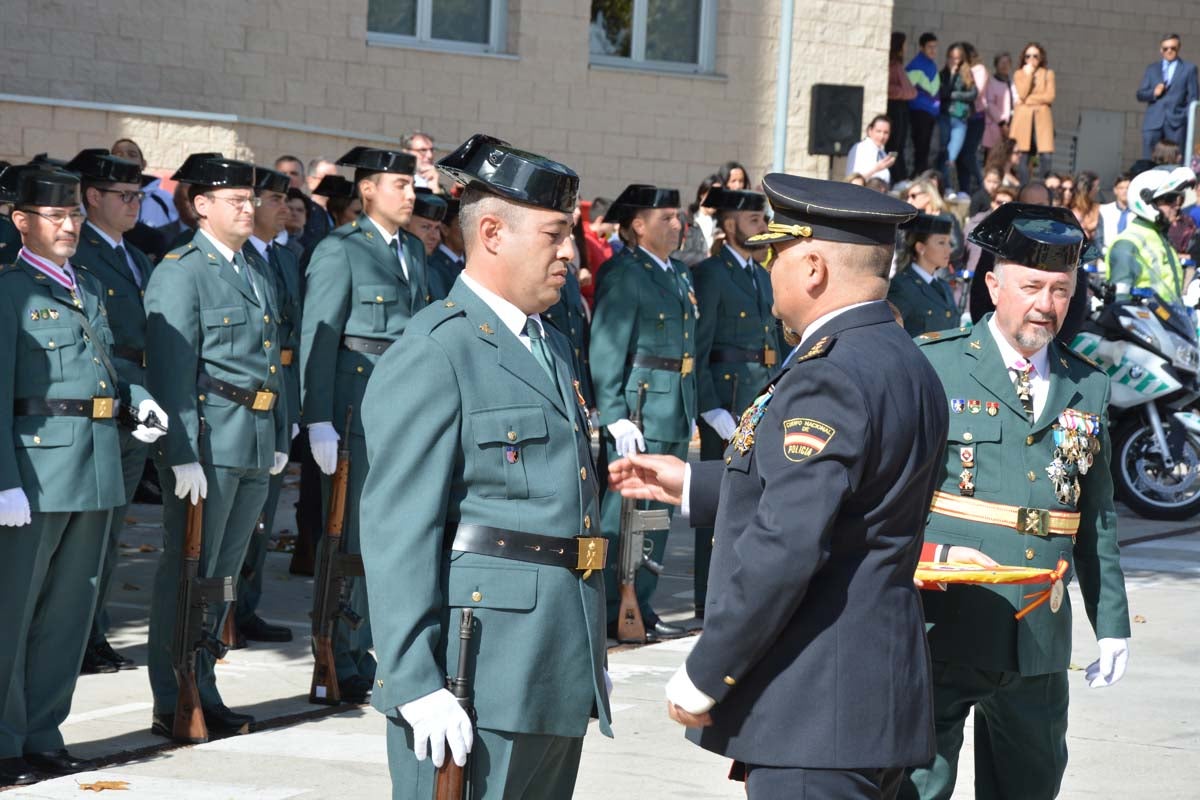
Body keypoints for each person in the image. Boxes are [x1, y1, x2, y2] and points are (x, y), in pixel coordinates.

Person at [608, 174, 946, 799]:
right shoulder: (901, 357)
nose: (768, 271)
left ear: (813, 267)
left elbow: (787, 542)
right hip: (865, 698)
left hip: (815, 705)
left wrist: (708, 669)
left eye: (775, 256)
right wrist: (696, 483)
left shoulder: (831, 371)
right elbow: (855, 494)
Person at [357, 133, 611, 799]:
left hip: (553, 660)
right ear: (492, 232)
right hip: (476, 672)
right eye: (555, 236)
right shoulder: (436, 351)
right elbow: (397, 529)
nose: (570, 255)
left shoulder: (550, 343)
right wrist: (413, 679)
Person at [904, 202, 1131, 800]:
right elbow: (893, 497)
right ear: (993, 284)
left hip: (1038, 627)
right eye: (1031, 286)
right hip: (945, 620)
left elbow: (1096, 517)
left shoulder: (1087, 383)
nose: (1045, 304)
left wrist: (1111, 626)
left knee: (1030, 785)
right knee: (915, 786)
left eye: (1061, 289)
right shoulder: (937, 365)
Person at [0, 165, 166, 786]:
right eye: (55, 216)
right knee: (13, 612)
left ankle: (44, 732)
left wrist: (138, 398)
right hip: (35, 473)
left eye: (73, 215)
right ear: (22, 222)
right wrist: (3, 478)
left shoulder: (88, 286)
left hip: (95, 467)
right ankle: (5, 740)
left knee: (70, 612)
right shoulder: (11, 293)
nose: (69, 225)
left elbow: (110, 367)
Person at [143, 156, 289, 740]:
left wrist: (280, 433)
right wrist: (178, 451)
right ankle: (172, 693)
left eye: (251, 199)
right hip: (209, 440)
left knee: (223, 576)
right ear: (201, 205)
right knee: (189, 570)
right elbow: (170, 372)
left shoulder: (255, 267)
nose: (248, 208)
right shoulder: (181, 270)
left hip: (252, 438)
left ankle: (204, 685)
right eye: (235, 199)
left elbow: (275, 359)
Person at [299, 146, 427, 703]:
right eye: (399, 184)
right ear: (368, 190)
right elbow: (319, 336)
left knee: (392, 538)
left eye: (413, 184)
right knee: (348, 537)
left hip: (402, 410)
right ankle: (339, 652)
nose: (411, 193)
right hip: (356, 414)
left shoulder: (415, 251)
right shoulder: (340, 250)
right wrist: (318, 418)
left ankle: (372, 648)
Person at [590, 183, 696, 641]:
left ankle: (642, 604)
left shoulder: (678, 274)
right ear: (638, 225)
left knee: (658, 517)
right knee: (624, 513)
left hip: (673, 404)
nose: (678, 225)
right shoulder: (625, 273)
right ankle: (614, 607)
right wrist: (613, 413)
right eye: (667, 218)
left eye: (677, 217)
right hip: (639, 406)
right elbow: (608, 346)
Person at [66, 149, 158, 675]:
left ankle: (91, 632)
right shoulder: (82, 257)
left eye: (139, 196)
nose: (135, 204)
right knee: (86, 531)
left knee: (111, 529)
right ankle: (77, 635)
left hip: (136, 399)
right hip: (104, 397)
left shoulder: (136, 256)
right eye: (124, 196)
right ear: (93, 197)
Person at [690, 187, 778, 620]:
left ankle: (741, 594)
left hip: (757, 397)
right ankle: (710, 595)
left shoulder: (761, 274)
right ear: (729, 226)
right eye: (754, 220)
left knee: (756, 498)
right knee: (720, 500)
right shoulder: (712, 273)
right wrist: (709, 406)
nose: (762, 226)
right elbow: (698, 343)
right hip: (725, 402)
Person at [230, 165, 303, 648]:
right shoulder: (241, 261)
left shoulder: (287, 256)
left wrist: (294, 408)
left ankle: (246, 605)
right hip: (241, 401)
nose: (283, 208)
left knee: (263, 515)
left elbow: (294, 335)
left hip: (279, 392)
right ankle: (225, 611)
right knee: (236, 521)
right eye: (275, 199)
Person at [1106, 165, 1197, 305]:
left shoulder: (1161, 238)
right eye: (1169, 199)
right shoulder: (1127, 244)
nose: (1176, 205)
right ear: (1147, 201)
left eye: (1177, 199)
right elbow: (1120, 305)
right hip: (1146, 324)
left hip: (1169, 323)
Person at [888, 213, 958, 335]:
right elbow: (892, 334)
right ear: (921, 248)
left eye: (949, 243)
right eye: (941, 243)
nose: (948, 249)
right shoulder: (902, 287)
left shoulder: (944, 286)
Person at [1137, 33, 1199, 160]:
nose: (1169, 51)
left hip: (1176, 122)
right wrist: (1153, 93)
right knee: (1149, 160)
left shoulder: (1189, 69)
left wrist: (1184, 116)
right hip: (1153, 121)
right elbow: (1140, 94)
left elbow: (1194, 97)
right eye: (1166, 48)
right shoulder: (1152, 69)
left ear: (1178, 48)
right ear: (1161, 50)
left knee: (1174, 160)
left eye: (1173, 48)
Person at [1011, 43, 1056, 182]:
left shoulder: (1048, 74)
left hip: (1042, 120)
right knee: (1023, 156)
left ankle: (1043, 185)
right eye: (1028, 56)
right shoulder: (1019, 74)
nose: (1031, 59)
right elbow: (1022, 93)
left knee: (1045, 156)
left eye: (1035, 56)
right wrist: (1029, 75)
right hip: (1023, 120)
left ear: (1041, 57)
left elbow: (1049, 96)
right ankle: (1024, 187)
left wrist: (1029, 101)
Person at [938, 43, 978, 194]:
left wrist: (954, 95)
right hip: (945, 116)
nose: (955, 61)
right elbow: (943, 92)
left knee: (952, 155)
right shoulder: (943, 74)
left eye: (958, 58)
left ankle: (948, 186)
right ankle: (946, 186)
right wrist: (952, 74)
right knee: (943, 153)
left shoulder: (967, 74)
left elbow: (973, 94)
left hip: (960, 119)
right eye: (952, 58)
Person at [907, 32, 941, 176]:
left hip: (929, 111)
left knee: (925, 146)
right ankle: (917, 176)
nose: (933, 50)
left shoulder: (930, 64)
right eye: (929, 47)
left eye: (935, 47)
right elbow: (932, 90)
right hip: (920, 110)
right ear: (921, 47)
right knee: (921, 146)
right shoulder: (916, 66)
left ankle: (920, 174)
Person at [956, 42, 989, 196]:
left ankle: (981, 184)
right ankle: (964, 189)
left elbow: (978, 92)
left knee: (968, 153)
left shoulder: (978, 69)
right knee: (960, 155)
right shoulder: (960, 70)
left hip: (975, 117)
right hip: (961, 117)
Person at [888, 32, 918, 183]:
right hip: (895, 108)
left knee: (899, 143)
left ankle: (900, 176)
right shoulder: (893, 65)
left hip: (901, 108)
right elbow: (907, 91)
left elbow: (911, 92)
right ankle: (898, 177)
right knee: (895, 143)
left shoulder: (897, 65)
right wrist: (904, 93)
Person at [675, 174, 722, 266]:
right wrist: (705, 256)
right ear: (702, 194)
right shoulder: (685, 219)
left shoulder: (721, 224)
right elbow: (672, 254)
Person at [427, 196, 465, 302]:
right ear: (445, 229)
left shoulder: (473, 261)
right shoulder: (433, 265)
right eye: (462, 225)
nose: (468, 231)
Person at [846, 114, 896, 187]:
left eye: (886, 132)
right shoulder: (860, 148)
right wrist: (876, 169)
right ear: (870, 130)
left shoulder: (882, 153)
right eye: (878, 131)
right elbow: (852, 180)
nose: (882, 136)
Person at [982, 53, 1015, 161]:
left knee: (1005, 159)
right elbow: (990, 104)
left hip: (1010, 127)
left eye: (1007, 63)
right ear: (996, 65)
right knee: (992, 157)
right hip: (995, 126)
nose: (1005, 65)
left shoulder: (1012, 83)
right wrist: (1002, 124)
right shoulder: (991, 82)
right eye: (1002, 63)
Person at [404, 187, 447, 260]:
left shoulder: (435, 269)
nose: (435, 237)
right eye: (426, 227)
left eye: (437, 228)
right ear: (404, 225)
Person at [1098, 173, 1133, 255]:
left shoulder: (1138, 213)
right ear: (1115, 190)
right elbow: (1098, 239)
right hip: (1106, 256)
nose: (1125, 191)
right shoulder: (1104, 210)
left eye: (1128, 188)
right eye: (1121, 188)